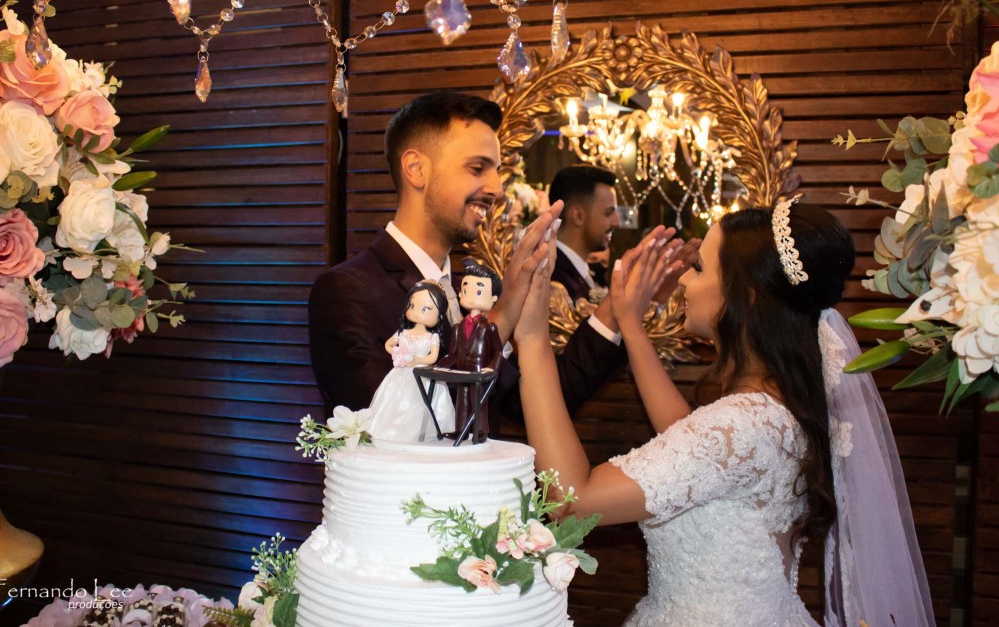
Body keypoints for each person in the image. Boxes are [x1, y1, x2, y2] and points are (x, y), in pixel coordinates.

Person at [512, 197, 935, 625]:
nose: (684, 281)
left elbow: (573, 502)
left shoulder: (742, 423)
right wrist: (631, 324)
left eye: (698, 269)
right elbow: (687, 441)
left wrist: (531, 339)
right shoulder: (774, 407)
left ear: (744, 296)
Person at [308, 92, 677, 418]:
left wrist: (615, 306)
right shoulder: (347, 291)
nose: (497, 189)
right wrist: (506, 308)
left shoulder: (466, 292)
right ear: (416, 169)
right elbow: (397, 430)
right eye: (477, 168)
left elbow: (534, 404)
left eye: (497, 171)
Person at [366, 280, 455, 443]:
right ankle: (394, 433)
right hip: (401, 373)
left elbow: (433, 358)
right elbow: (388, 344)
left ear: (439, 315)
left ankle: (419, 435)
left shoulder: (432, 337)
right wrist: (396, 352)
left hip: (423, 375)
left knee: (420, 405)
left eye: (426, 309)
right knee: (395, 402)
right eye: (412, 306)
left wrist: (417, 360)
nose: (417, 313)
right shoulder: (403, 333)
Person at [439, 264, 504, 442]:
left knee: (479, 401)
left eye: (479, 291)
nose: (471, 296)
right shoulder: (458, 328)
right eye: (466, 290)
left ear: (493, 298)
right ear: (460, 293)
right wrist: (439, 366)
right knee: (462, 401)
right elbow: (452, 355)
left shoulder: (489, 328)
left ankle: (480, 430)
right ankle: (460, 429)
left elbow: (498, 351)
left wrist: (492, 368)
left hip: (479, 372)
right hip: (462, 372)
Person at [547, 165, 622, 301]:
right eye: (608, 212)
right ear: (578, 216)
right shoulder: (553, 279)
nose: (617, 222)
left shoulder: (582, 272)